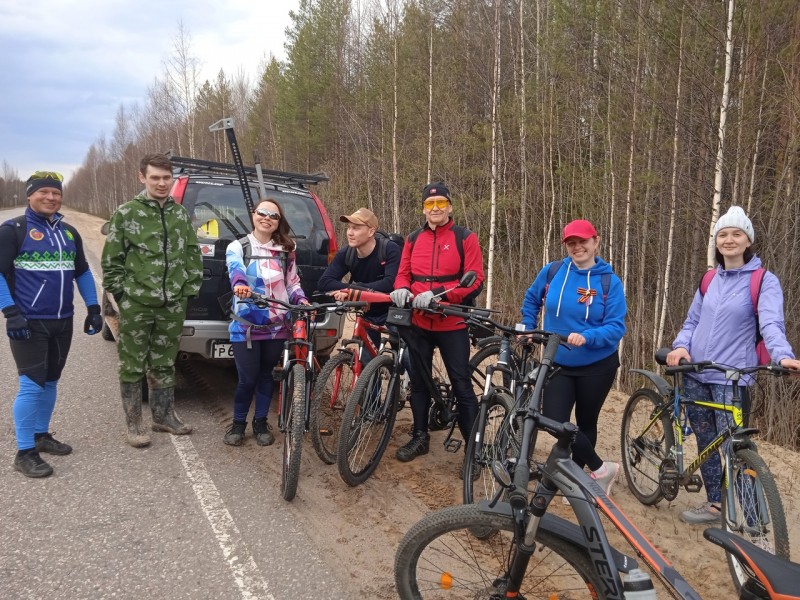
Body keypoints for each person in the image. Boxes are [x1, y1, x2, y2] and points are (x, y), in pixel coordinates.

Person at [667, 205, 800, 524]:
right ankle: (714, 504)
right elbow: (692, 320)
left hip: (733, 378)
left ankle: (754, 522)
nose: (728, 239)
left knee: (735, 446)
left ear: (748, 240)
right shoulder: (709, 278)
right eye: (723, 234)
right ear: (716, 241)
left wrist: (781, 354)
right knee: (705, 440)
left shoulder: (763, 281)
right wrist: (681, 346)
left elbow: (771, 324)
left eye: (736, 234)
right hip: (695, 372)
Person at [0, 171, 103, 477]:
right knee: (31, 385)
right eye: (43, 192)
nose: (50, 198)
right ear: (29, 196)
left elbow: (82, 272)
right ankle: (24, 452)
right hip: (28, 322)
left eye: (55, 193)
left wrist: (94, 308)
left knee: (51, 380)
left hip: (63, 321)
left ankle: (41, 435)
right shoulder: (13, 230)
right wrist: (10, 312)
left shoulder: (69, 232)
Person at [519, 219, 626, 498]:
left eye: (583, 241)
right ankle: (601, 469)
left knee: (586, 422)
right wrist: (529, 326)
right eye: (571, 243)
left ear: (596, 241)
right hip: (557, 361)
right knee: (555, 420)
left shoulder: (608, 282)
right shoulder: (554, 271)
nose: (578, 247)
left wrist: (588, 336)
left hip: (597, 365)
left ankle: (576, 482)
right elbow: (532, 299)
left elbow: (616, 326)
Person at [101, 154, 203, 448]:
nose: (161, 183)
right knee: (132, 365)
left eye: (166, 177)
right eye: (155, 177)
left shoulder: (180, 214)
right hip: (138, 303)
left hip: (172, 304)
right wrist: (122, 296)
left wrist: (188, 290)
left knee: (165, 362)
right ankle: (134, 424)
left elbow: (192, 253)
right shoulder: (127, 213)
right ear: (142, 177)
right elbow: (112, 260)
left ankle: (163, 417)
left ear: (172, 179)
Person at [389, 182, 484, 465]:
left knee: (461, 383)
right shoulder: (413, 238)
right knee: (419, 381)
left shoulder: (465, 237)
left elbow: (475, 278)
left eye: (441, 203)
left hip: (451, 322)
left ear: (450, 207)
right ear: (423, 209)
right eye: (430, 205)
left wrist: (442, 295)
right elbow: (402, 273)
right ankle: (420, 436)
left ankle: (474, 450)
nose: (435, 209)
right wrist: (402, 289)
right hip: (418, 322)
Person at [223, 199, 309, 446]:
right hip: (245, 327)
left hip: (276, 328)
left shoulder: (286, 251)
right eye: (262, 212)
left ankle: (260, 422)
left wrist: (300, 299)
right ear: (253, 215)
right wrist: (240, 285)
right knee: (246, 378)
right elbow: (235, 270)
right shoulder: (238, 246)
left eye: (273, 215)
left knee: (265, 376)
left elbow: (292, 283)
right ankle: (238, 424)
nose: (267, 218)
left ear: (278, 222)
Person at [317, 207, 401, 362]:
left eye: (356, 228)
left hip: (394, 308)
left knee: (407, 357)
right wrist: (351, 291)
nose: (350, 232)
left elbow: (391, 283)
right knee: (367, 362)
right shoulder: (347, 253)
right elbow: (325, 282)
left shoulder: (390, 249)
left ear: (371, 231)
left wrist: (353, 290)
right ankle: (372, 383)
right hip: (369, 311)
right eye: (349, 228)